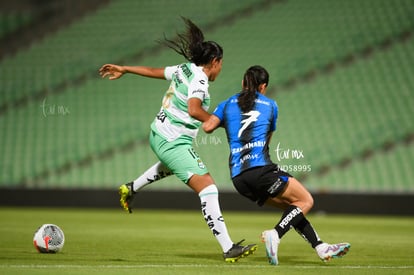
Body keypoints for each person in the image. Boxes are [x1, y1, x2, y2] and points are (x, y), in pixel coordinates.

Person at [99, 17, 257, 263]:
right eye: (221, 64)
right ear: (214, 62)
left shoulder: (185, 69)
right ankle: (228, 248)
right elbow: (194, 109)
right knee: (208, 189)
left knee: (175, 165)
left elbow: (156, 71)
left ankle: (131, 188)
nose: (221, 68)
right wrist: (218, 121)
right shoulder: (200, 80)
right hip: (173, 142)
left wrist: (126, 69)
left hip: (158, 133)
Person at [202, 65, 351, 265]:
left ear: (243, 83)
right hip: (261, 170)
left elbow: (207, 126)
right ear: (263, 86)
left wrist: (226, 120)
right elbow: (266, 141)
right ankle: (276, 234)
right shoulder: (270, 105)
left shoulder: (227, 104)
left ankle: (321, 248)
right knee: (305, 201)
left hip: (239, 178)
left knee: (293, 209)